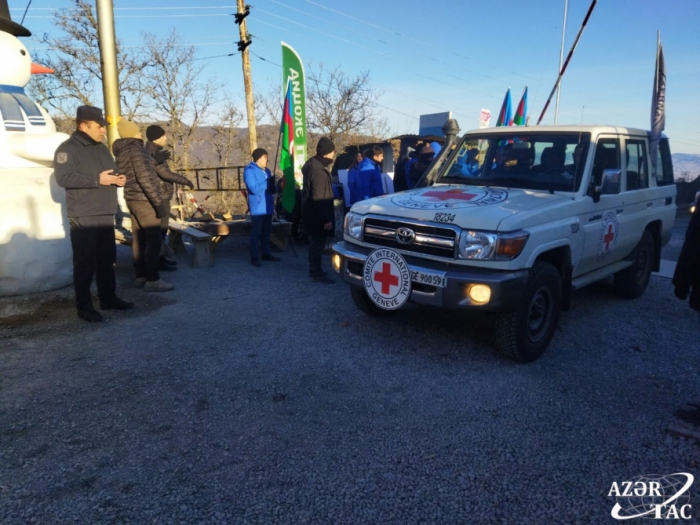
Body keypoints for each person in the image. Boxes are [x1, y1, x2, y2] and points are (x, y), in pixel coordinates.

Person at [54, 105, 134, 322]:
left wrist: (118, 179)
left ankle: (108, 298)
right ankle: (84, 306)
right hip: (84, 215)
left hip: (105, 212)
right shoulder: (68, 149)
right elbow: (64, 178)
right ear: (83, 125)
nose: (103, 131)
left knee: (107, 260)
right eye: (99, 126)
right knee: (85, 263)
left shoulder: (100, 148)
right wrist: (97, 180)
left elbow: (109, 173)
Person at [113, 119, 173, 292]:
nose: (140, 133)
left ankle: (140, 276)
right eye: (137, 131)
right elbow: (145, 178)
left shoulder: (122, 150)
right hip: (144, 199)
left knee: (139, 239)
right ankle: (153, 280)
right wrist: (158, 203)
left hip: (131, 198)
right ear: (133, 133)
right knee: (154, 240)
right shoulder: (136, 149)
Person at [144, 125, 194, 271]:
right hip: (161, 195)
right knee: (160, 230)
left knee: (160, 231)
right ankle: (158, 261)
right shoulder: (153, 152)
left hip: (161, 194)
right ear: (156, 137)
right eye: (163, 135)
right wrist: (185, 181)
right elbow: (165, 174)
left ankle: (161, 259)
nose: (166, 138)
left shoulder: (151, 150)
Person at [302, 137, 336, 284]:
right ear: (327, 153)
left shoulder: (312, 165)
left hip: (311, 213)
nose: (334, 154)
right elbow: (319, 197)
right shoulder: (319, 172)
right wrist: (326, 219)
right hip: (317, 215)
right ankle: (316, 272)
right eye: (333, 151)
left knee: (315, 243)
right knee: (317, 243)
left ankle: (315, 269)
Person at [243, 148, 280, 267]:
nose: (267, 160)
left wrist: (274, 185)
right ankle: (254, 256)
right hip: (258, 208)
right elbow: (253, 189)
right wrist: (267, 183)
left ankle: (265, 253)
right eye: (265, 157)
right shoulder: (249, 171)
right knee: (256, 233)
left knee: (266, 232)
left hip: (268, 206)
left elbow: (271, 190)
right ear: (258, 158)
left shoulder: (267, 171)